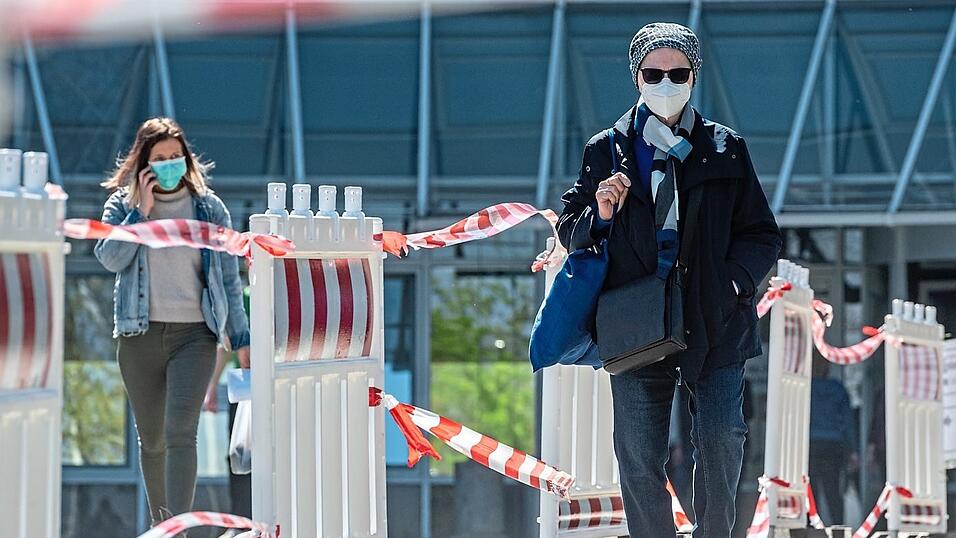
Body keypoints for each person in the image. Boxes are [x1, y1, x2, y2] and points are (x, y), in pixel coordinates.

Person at [557, 23, 782, 537]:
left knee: (724, 437)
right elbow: (572, 230)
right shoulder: (606, 149)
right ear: (636, 78)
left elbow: (761, 235)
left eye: (676, 73)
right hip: (636, 317)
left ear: (693, 76)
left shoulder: (726, 147)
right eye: (653, 73)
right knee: (638, 453)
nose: (665, 83)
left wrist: (731, 285)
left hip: (716, 316)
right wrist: (601, 211)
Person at [94, 117, 250, 530]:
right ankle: (163, 524)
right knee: (153, 439)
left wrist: (240, 335)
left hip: (195, 335)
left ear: (186, 159)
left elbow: (229, 279)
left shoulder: (209, 207)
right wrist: (140, 214)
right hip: (138, 334)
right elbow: (110, 259)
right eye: (159, 159)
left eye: (175, 157)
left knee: (181, 430)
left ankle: (177, 526)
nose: (169, 165)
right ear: (143, 164)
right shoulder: (121, 206)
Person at [808, 359, 858, 524]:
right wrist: (853, 450)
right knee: (833, 491)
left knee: (811, 491)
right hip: (833, 445)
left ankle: (813, 530)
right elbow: (848, 422)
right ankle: (838, 528)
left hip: (811, 444)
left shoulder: (806, 387)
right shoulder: (837, 388)